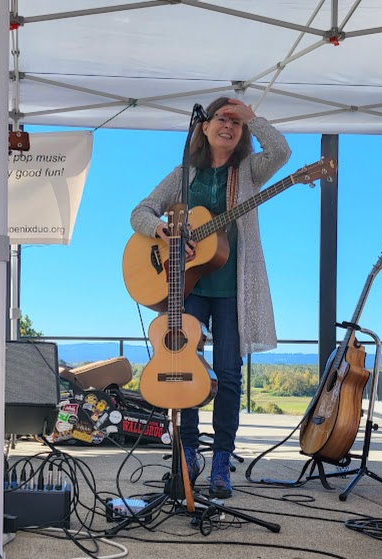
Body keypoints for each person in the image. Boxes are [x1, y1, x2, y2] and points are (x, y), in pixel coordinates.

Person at [130, 97, 291, 498]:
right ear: (203, 127)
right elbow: (141, 212)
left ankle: (221, 459)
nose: (229, 126)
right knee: (181, 366)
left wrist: (254, 117)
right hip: (189, 287)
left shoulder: (249, 170)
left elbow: (281, 152)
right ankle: (188, 452)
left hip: (233, 288)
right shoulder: (184, 175)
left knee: (229, 374)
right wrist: (163, 231)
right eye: (222, 118)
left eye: (236, 123)